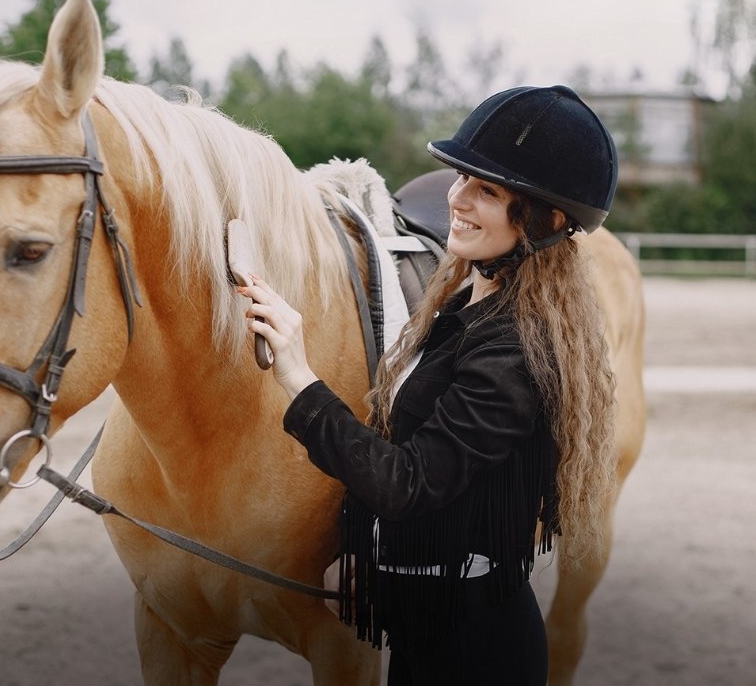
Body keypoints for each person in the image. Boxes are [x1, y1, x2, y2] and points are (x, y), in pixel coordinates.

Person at [238, 85, 619, 685]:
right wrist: (376, 559)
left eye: (486, 191)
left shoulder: (516, 350)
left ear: (545, 220)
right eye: (460, 178)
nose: (457, 199)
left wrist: (296, 374)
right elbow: (430, 469)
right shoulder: (466, 306)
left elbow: (406, 482)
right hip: (431, 625)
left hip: (474, 652)